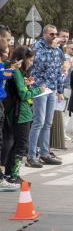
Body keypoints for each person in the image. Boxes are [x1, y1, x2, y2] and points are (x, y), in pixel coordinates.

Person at [4, 47, 45, 185]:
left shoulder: (17, 73)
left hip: (21, 113)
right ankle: (13, 175)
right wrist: (38, 90)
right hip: (20, 113)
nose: (31, 63)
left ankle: (10, 174)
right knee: (20, 145)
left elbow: (19, 89)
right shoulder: (16, 72)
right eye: (30, 60)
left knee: (17, 144)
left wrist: (27, 85)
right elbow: (22, 94)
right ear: (23, 59)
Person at [27, 25, 64, 168]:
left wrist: (60, 89)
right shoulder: (38, 46)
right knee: (38, 122)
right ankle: (31, 155)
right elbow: (41, 63)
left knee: (48, 123)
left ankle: (44, 153)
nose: (54, 37)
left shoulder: (57, 49)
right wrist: (52, 48)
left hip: (52, 89)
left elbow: (59, 69)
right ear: (44, 34)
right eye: (51, 34)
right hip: (40, 88)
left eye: (56, 34)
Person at [0, 38, 21, 191]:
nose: (8, 55)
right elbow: (5, 74)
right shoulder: (2, 67)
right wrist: (14, 69)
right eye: (6, 52)